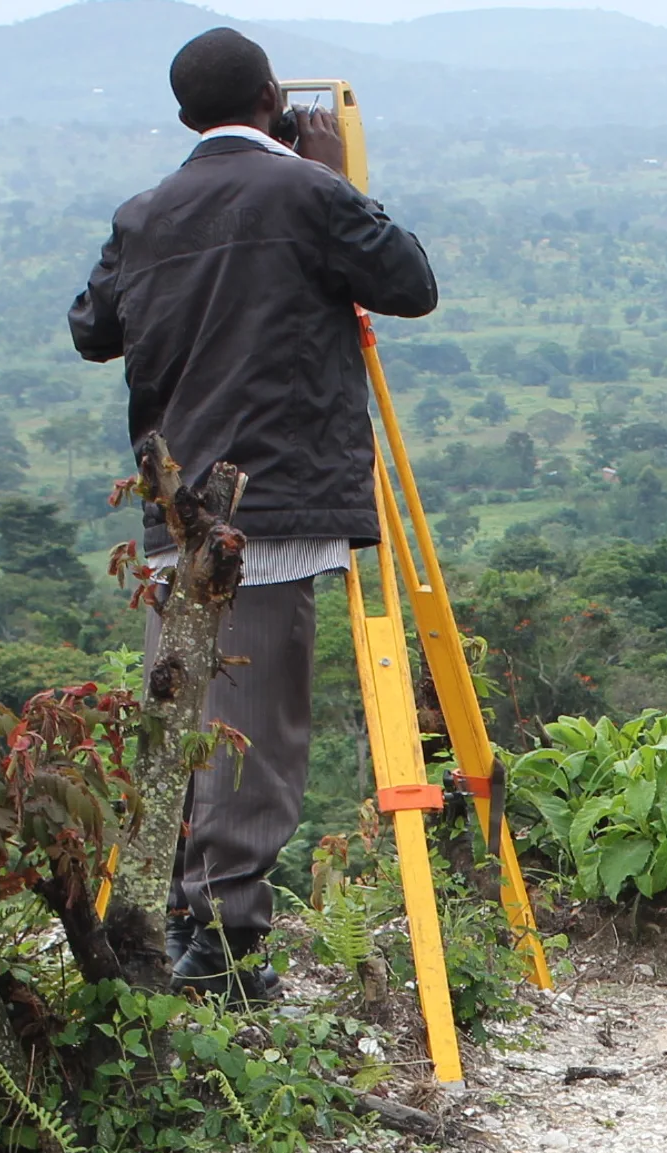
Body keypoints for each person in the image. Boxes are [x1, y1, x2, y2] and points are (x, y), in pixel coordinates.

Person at [68, 29, 440, 1000]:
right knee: (253, 730)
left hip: (174, 508)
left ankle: (178, 922)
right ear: (273, 97)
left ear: (184, 117)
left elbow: (91, 329)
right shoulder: (307, 193)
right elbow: (410, 284)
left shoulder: (144, 212)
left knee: (185, 717)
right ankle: (227, 943)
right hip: (274, 503)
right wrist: (334, 181)